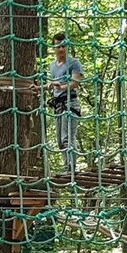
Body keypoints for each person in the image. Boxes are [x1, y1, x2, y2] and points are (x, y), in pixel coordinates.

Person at [46, 32, 83, 177]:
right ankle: (66, 167)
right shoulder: (52, 66)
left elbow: (75, 83)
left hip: (70, 103)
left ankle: (71, 168)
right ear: (54, 48)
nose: (61, 49)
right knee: (59, 140)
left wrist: (60, 86)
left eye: (64, 46)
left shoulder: (74, 63)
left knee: (67, 138)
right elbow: (53, 84)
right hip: (58, 105)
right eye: (58, 46)